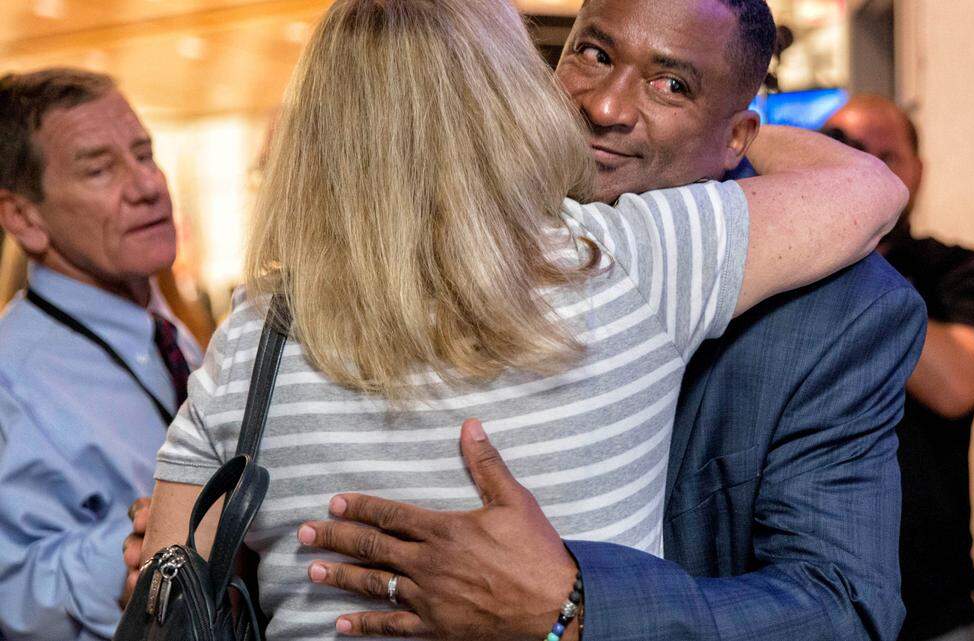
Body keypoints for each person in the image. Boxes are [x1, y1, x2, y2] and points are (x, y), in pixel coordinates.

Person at [131, 0, 907, 639]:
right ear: (520, 90)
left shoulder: (254, 335)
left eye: (672, 84)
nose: (605, 108)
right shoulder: (627, 262)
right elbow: (865, 185)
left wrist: (576, 610)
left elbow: (164, 592)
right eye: (593, 56)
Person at [0, 69, 203, 641]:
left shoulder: (168, 335)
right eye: (100, 169)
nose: (147, 186)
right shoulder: (10, 380)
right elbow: (10, 588)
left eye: (145, 153)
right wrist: (142, 549)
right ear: (23, 218)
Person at [824, 94, 974, 641]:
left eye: (888, 157)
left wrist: (848, 250)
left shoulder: (952, 270)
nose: (871, 173)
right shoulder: (784, 266)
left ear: (918, 172)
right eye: (850, 155)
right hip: (802, 596)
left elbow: (954, 385)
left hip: (931, 601)